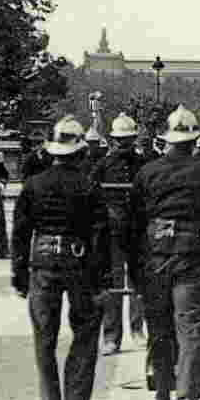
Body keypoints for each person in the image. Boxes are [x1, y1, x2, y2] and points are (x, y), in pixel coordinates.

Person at [131, 106, 200, 400]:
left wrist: (135, 263)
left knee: (159, 326)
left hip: (155, 255)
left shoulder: (147, 172)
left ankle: (162, 390)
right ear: (195, 140)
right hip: (193, 254)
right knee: (190, 328)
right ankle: (189, 399)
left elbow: (134, 222)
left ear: (167, 140)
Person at [10, 117, 106, 400]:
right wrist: (100, 275)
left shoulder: (33, 185)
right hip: (78, 263)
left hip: (42, 263)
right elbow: (100, 233)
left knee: (44, 334)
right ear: (79, 152)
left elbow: (21, 233)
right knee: (86, 330)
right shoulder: (88, 185)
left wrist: (19, 274)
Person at [87, 113, 147, 354]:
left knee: (138, 283)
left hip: (136, 229)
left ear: (134, 139)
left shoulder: (143, 164)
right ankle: (112, 336)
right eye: (120, 140)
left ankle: (137, 329)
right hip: (111, 231)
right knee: (113, 285)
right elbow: (90, 194)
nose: (124, 144)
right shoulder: (103, 165)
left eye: (128, 140)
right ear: (112, 140)